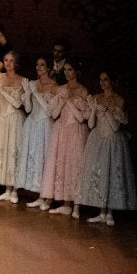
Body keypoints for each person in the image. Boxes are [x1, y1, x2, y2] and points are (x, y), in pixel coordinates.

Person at [75, 72, 137, 226]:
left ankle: (109, 212)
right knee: (99, 172)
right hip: (98, 138)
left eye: (105, 80)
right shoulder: (96, 97)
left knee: (111, 172)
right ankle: (101, 211)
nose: (102, 83)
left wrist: (107, 111)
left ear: (112, 81)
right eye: (100, 80)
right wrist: (94, 109)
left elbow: (116, 127)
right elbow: (91, 124)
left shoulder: (118, 100)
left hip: (112, 139)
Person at [40, 63, 92, 216]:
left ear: (76, 71)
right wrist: (63, 99)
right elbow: (54, 114)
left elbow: (82, 117)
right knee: (62, 166)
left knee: (74, 165)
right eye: (66, 70)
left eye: (70, 69)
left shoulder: (82, 90)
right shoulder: (60, 88)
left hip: (75, 130)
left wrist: (69, 99)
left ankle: (76, 205)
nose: (68, 73)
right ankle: (66, 204)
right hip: (61, 129)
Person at [0, 51, 29, 204]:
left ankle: (15, 190)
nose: (8, 63)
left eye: (11, 60)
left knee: (13, 151)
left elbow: (23, 104)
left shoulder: (23, 80)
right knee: (3, 151)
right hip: (0, 117)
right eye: (6, 60)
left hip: (14, 118)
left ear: (16, 63)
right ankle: (6, 190)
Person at [17, 57, 59, 207]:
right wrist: (28, 94)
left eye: (42, 65)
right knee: (35, 157)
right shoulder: (33, 83)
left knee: (45, 158)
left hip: (45, 124)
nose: (39, 67)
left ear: (48, 68)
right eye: (37, 64)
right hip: (33, 123)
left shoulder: (53, 86)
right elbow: (28, 109)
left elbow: (49, 111)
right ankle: (40, 194)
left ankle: (48, 196)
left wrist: (36, 93)